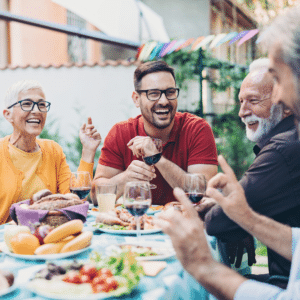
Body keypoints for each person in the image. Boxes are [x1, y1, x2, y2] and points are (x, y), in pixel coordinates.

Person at [155, 6, 300, 299]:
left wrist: (205, 268)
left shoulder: (285, 148)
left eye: (280, 80)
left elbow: (216, 220)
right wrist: (247, 218)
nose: (280, 95)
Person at [202, 58, 300, 285]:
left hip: (289, 282)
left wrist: (235, 220)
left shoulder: (282, 150)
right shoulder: (288, 141)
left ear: (284, 104)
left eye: (253, 101)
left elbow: (218, 223)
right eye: (240, 102)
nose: (242, 112)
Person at [93, 61, 218, 205]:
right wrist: (126, 178)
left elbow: (204, 191)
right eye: (154, 94)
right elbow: (96, 197)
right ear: (136, 99)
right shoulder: (121, 133)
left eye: (170, 92)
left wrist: (158, 159)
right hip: (137, 223)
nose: (164, 101)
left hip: (186, 223)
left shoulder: (196, 129)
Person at [0, 79, 101, 224]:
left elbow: (74, 201)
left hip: (47, 235)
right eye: (27, 104)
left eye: (41, 105)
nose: (36, 110)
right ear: (8, 114)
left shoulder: (53, 150)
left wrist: (88, 151)